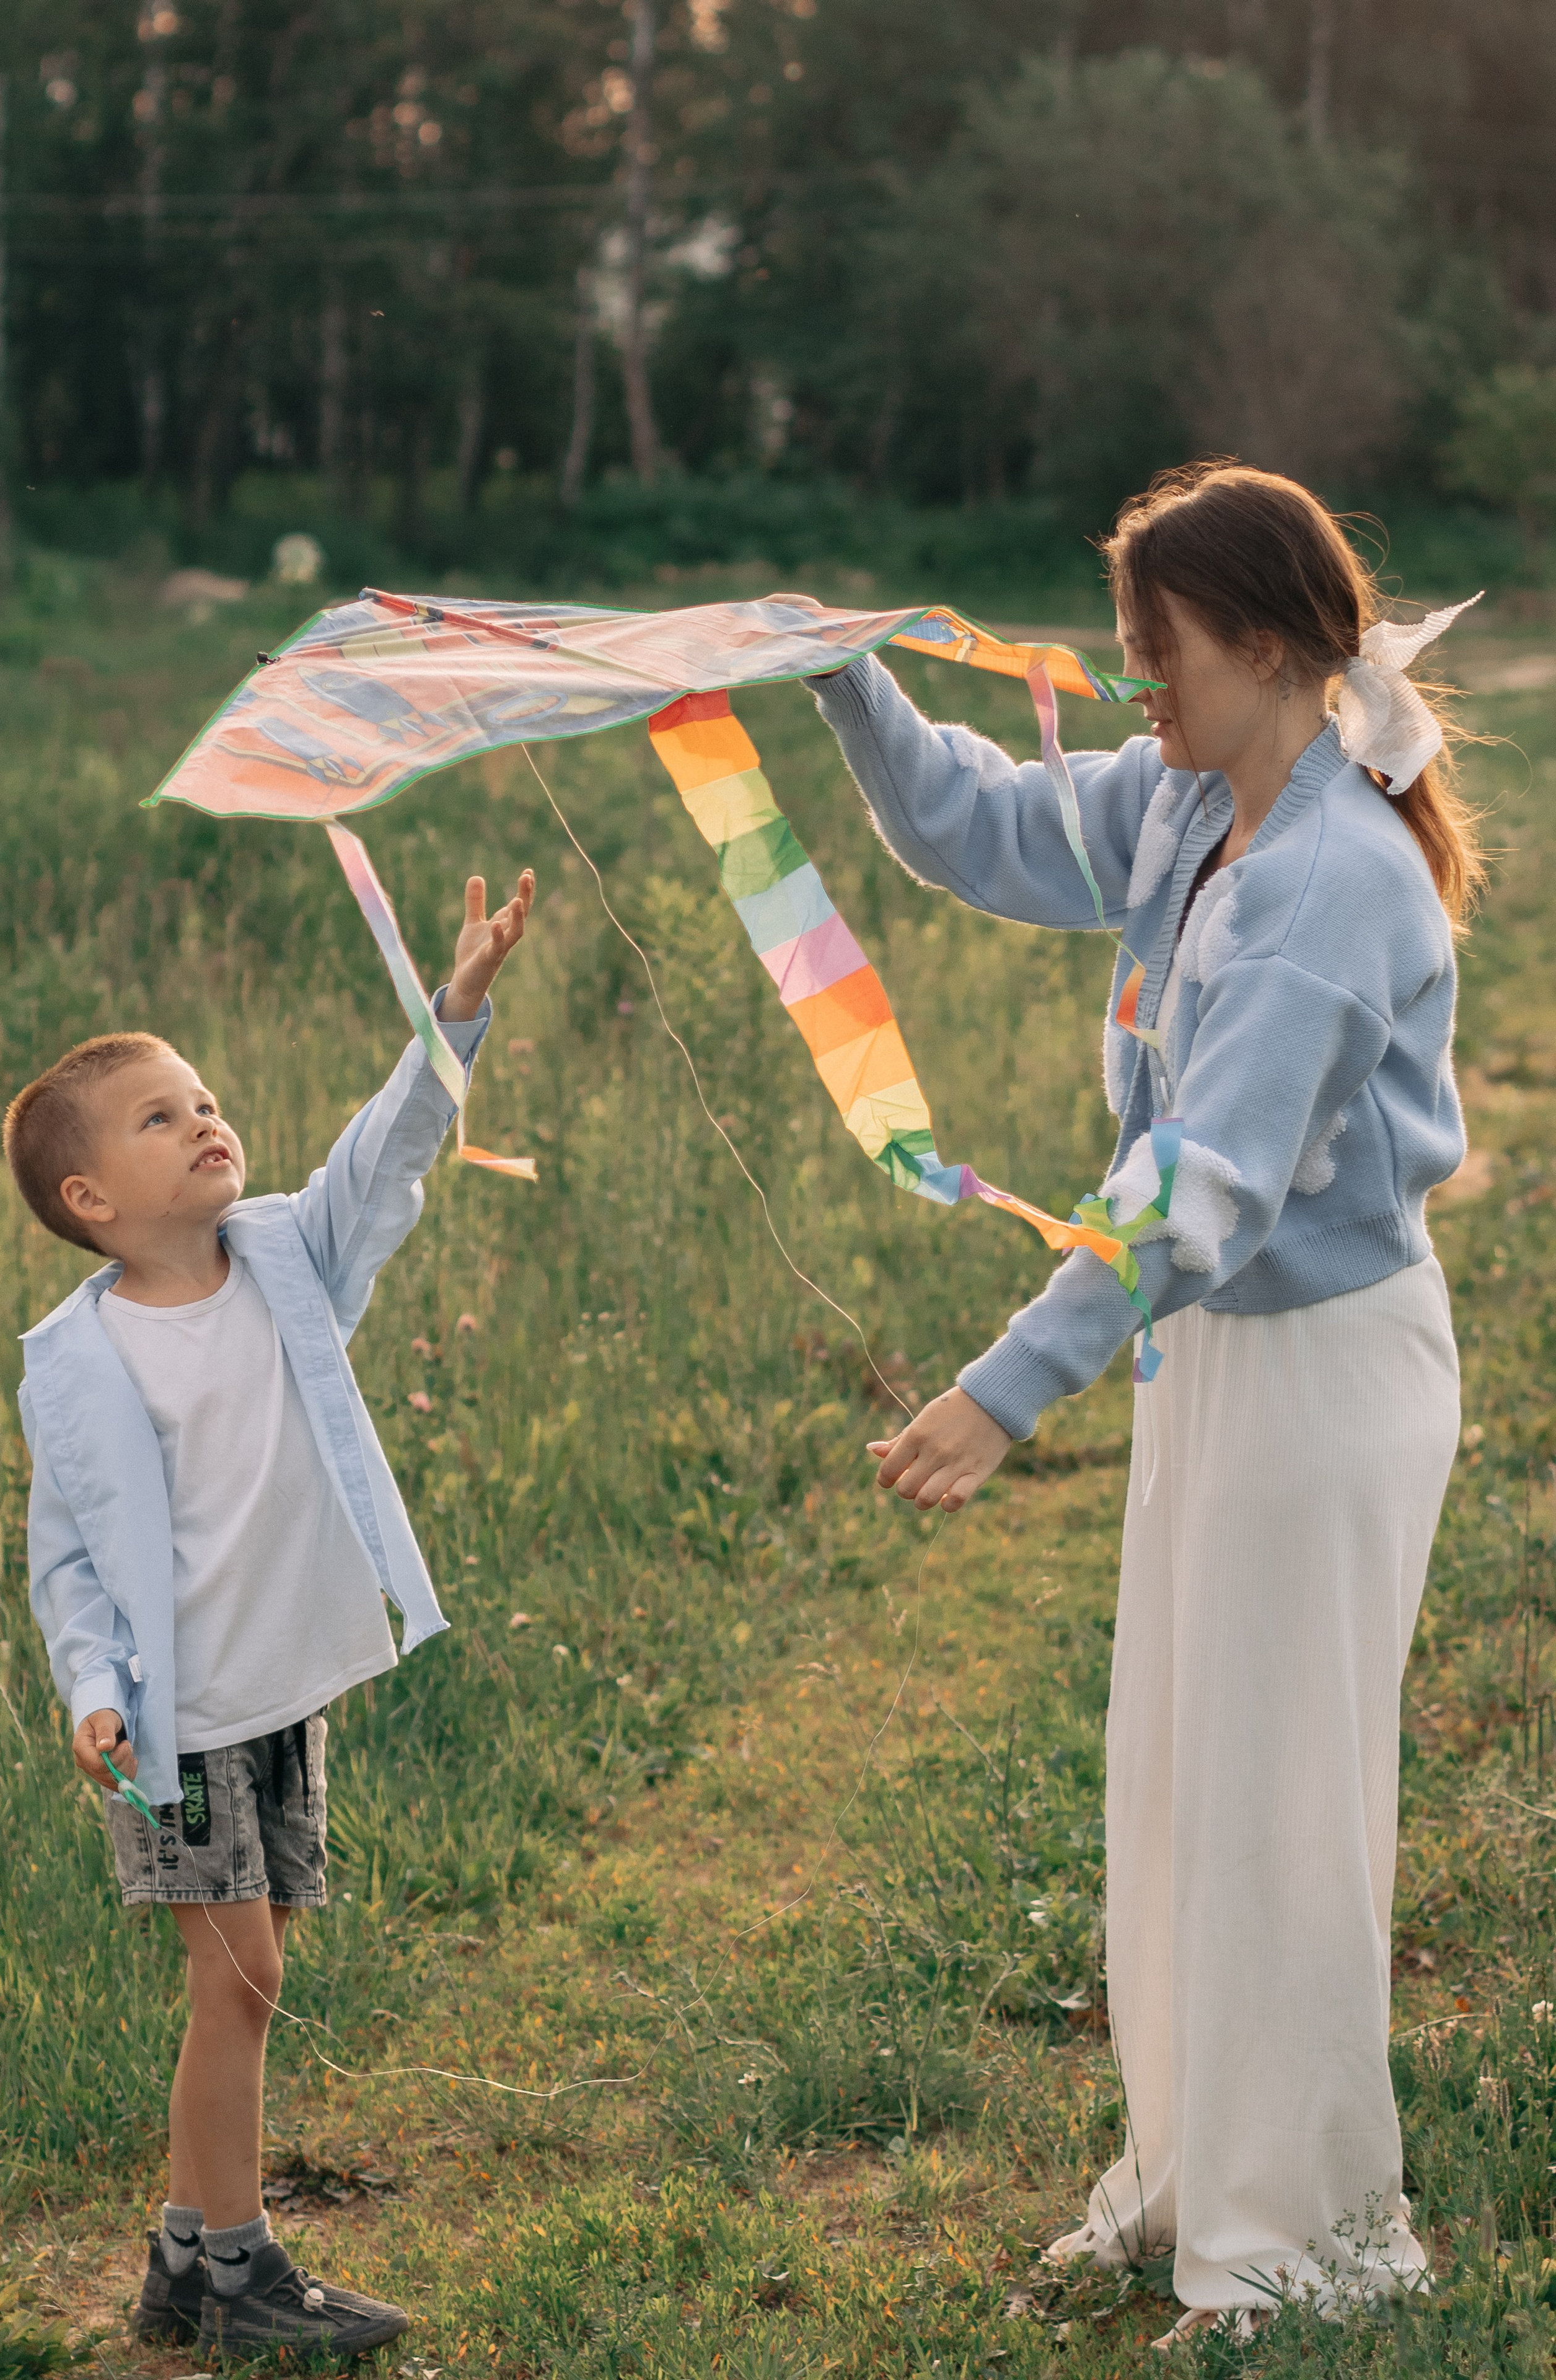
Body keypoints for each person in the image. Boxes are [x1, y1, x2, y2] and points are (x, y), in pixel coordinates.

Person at [811, 463, 1479, 2345]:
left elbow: (1203, 1187)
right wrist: (841, 673)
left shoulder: (1332, 877)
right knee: (1180, 1784)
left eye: (1157, 651)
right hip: (1216, 1359)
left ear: (1265, 643)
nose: (1134, 686)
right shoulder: (1196, 797)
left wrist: (1008, 1390)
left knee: (1281, 1807)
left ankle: (1300, 2239)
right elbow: (985, 825)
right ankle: (1189, 2180)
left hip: (1326, 1374)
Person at [7, 866, 534, 2361]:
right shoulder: (80, 1362)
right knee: (237, 1986)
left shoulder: (288, 1260)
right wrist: (89, 1691)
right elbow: (71, 1564)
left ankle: (183, 2259)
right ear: (90, 1200)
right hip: (175, 1731)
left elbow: (389, 1154)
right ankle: (235, 2269)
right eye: (161, 1117)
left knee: (258, 1968)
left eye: (206, 1097)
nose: (207, 1121)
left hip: (276, 1693)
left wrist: (455, 1011)